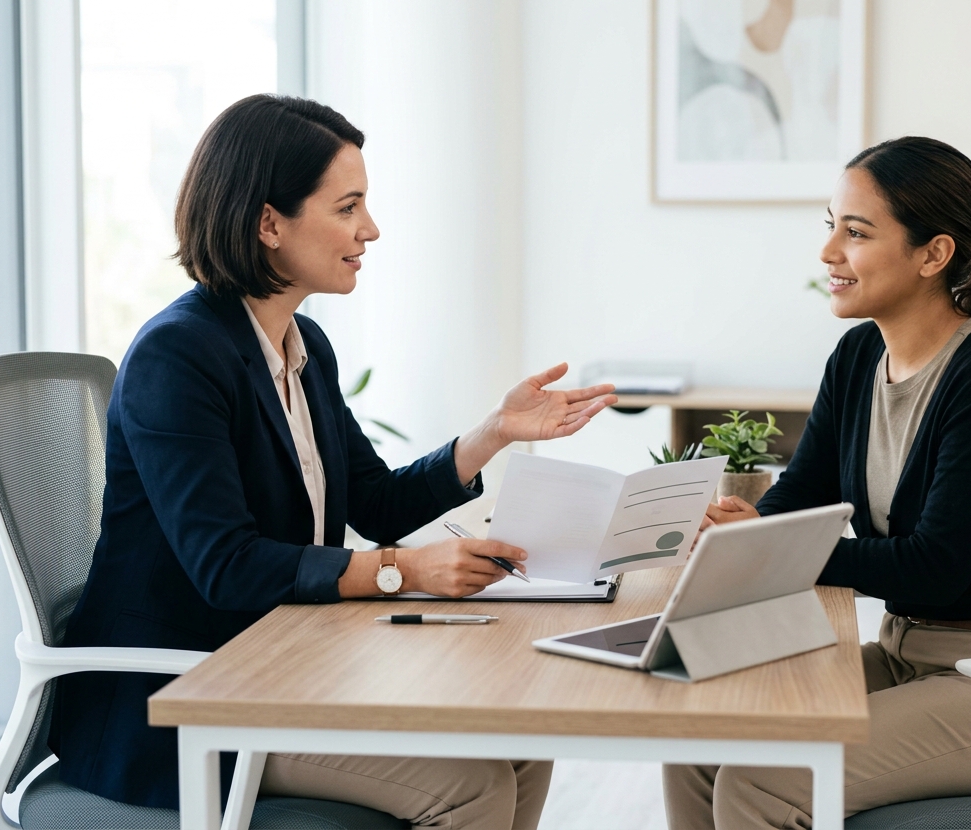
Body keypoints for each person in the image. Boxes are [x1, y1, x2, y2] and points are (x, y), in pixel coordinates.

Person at [49, 94, 616, 830]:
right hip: (184, 700)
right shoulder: (178, 356)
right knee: (470, 785)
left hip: (283, 666)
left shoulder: (301, 349)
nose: (370, 230)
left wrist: (495, 432)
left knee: (520, 743)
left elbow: (372, 501)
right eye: (348, 207)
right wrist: (403, 572)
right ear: (268, 223)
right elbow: (226, 565)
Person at [663, 136, 971, 829]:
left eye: (857, 231)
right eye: (830, 225)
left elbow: (935, 569)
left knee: (767, 782)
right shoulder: (859, 353)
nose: (828, 252)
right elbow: (798, 496)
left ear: (934, 254)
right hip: (910, 658)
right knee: (702, 733)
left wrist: (769, 546)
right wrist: (734, 531)